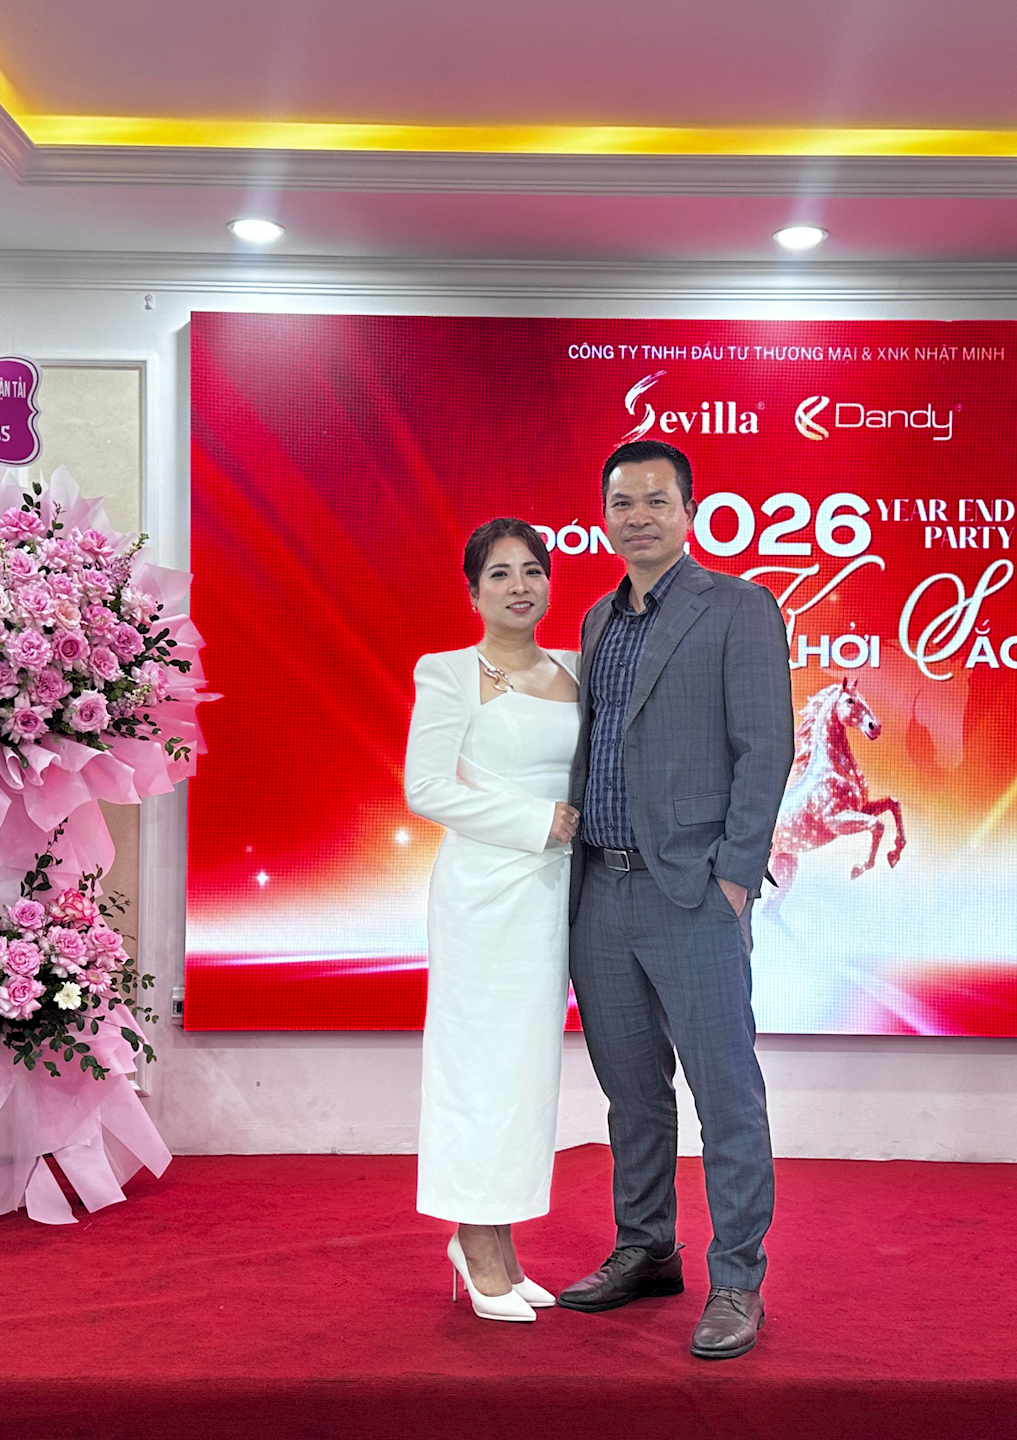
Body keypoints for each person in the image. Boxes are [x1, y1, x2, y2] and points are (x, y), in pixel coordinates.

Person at [557, 440, 793, 1361]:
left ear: (690, 513)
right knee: (630, 1091)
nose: (639, 517)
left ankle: (737, 1279)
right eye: (623, 503)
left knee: (725, 1091)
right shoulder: (595, 620)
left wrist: (733, 877)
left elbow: (765, 749)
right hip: (600, 889)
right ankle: (647, 1247)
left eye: (657, 500)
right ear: (604, 517)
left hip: (692, 892)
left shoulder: (739, 608)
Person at [404, 517, 582, 1323]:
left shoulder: (577, 668)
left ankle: (501, 1242)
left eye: (532, 571)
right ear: (473, 592)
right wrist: (536, 821)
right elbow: (426, 789)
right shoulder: (448, 672)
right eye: (500, 574)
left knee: (524, 1071)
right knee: (477, 1065)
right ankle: (474, 1240)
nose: (519, 586)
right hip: (483, 892)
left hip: (554, 895)